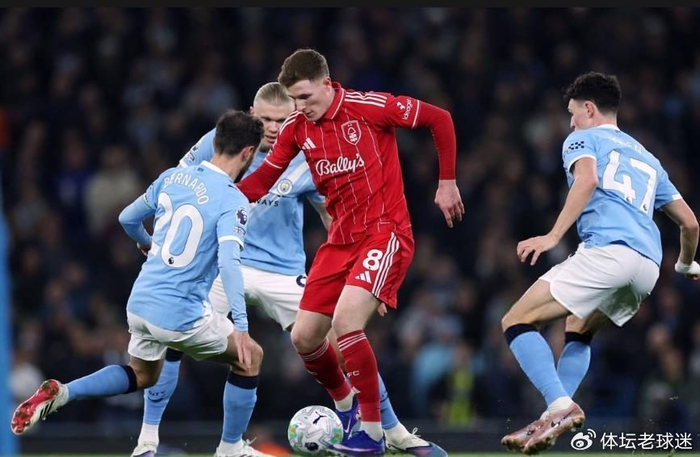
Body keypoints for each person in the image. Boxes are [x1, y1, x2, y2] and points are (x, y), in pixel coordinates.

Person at [133, 82, 447, 457]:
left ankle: (390, 430)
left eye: (282, 121)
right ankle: (147, 442)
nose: (273, 128)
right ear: (252, 114)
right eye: (266, 119)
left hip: (281, 270)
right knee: (171, 338)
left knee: (341, 338)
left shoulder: (308, 151)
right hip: (223, 264)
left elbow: (333, 215)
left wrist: (364, 278)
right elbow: (177, 188)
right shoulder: (220, 143)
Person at [236, 49, 465, 455]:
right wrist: (221, 199)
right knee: (305, 337)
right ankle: (348, 410)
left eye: (305, 97)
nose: (299, 108)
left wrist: (446, 182)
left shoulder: (369, 107)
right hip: (339, 241)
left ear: (327, 84)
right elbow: (264, 178)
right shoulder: (297, 129)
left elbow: (439, 118)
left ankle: (373, 435)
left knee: (346, 323)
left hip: (384, 232)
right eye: (294, 100)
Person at [11, 111, 270, 457]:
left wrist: (147, 243)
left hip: (141, 304)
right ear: (248, 153)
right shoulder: (233, 199)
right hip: (180, 314)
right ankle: (231, 449)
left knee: (141, 374)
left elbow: (127, 218)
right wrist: (241, 326)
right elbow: (228, 262)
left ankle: (66, 392)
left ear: (216, 141)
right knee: (250, 356)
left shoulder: (172, 177)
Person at [500, 72, 700, 455]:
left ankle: (560, 406)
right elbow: (690, 223)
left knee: (516, 321)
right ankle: (553, 414)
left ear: (589, 109)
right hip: (648, 268)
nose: (570, 122)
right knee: (578, 328)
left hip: (609, 252)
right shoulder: (648, 158)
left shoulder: (583, 139)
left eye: (572, 112)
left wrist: (552, 236)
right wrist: (686, 264)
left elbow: (587, 180)